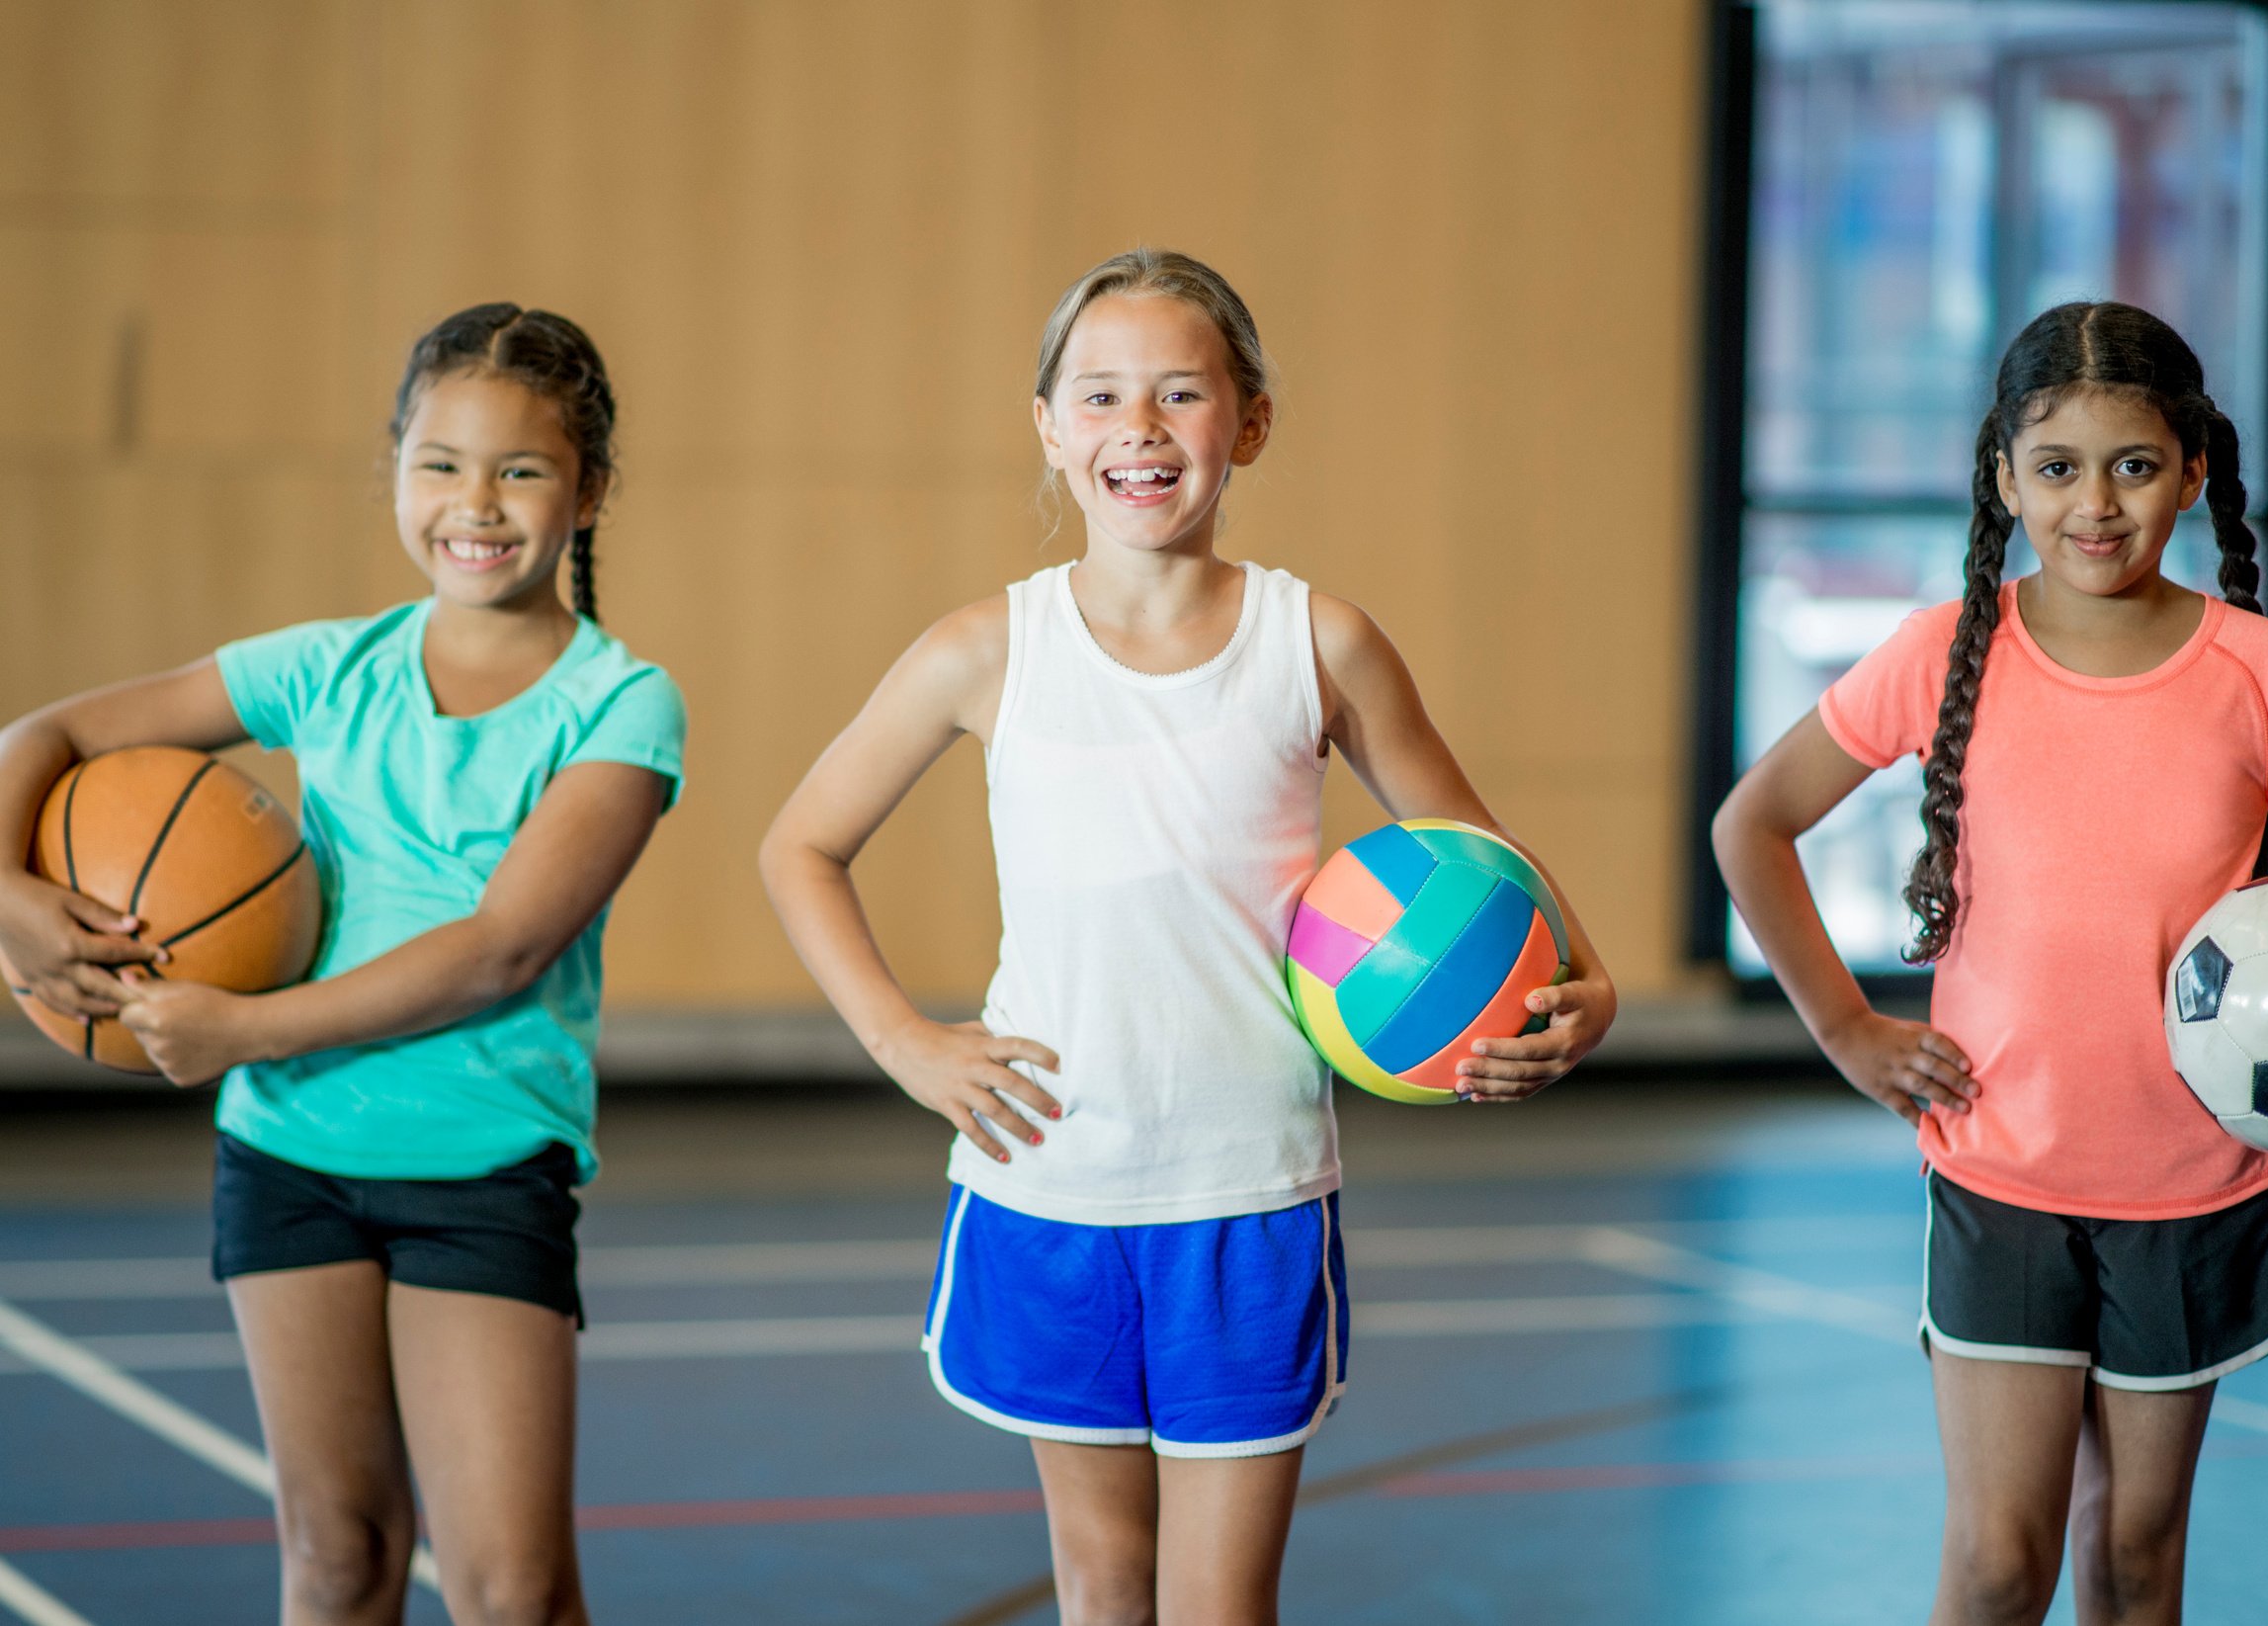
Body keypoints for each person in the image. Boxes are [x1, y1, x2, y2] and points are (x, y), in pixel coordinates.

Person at [760, 247, 1615, 1625]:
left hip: (1249, 1186)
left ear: (1250, 422)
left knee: (1222, 1607)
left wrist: (1595, 983)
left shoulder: (1316, 639)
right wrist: (906, 1044)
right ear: (1048, 426)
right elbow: (798, 843)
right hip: (1051, 1180)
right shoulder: (987, 650)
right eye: (1098, 396)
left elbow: (1482, 855)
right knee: (1103, 1591)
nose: (1139, 429)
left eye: (1179, 393)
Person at [1713, 300, 2268, 1626]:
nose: (2095, 505)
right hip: (2001, 1167)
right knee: (1999, 1561)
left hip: (2194, 1183)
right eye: (2056, 468)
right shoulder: (1943, 653)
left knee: (2134, 1559)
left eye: (2135, 465)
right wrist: (1844, 1026)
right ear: (2003, 476)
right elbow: (1750, 822)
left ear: (2195, 471)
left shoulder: (2260, 669)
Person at [0, 303, 686, 1626]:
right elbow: (44, 731)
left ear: (588, 489)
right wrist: (7, 896)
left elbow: (502, 948)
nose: (473, 503)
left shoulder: (622, 702)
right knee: (336, 1556)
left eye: (521, 469)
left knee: (515, 1591)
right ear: (394, 469)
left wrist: (244, 1031)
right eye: (440, 463)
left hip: (480, 1170)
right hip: (289, 1159)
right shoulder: (328, 667)